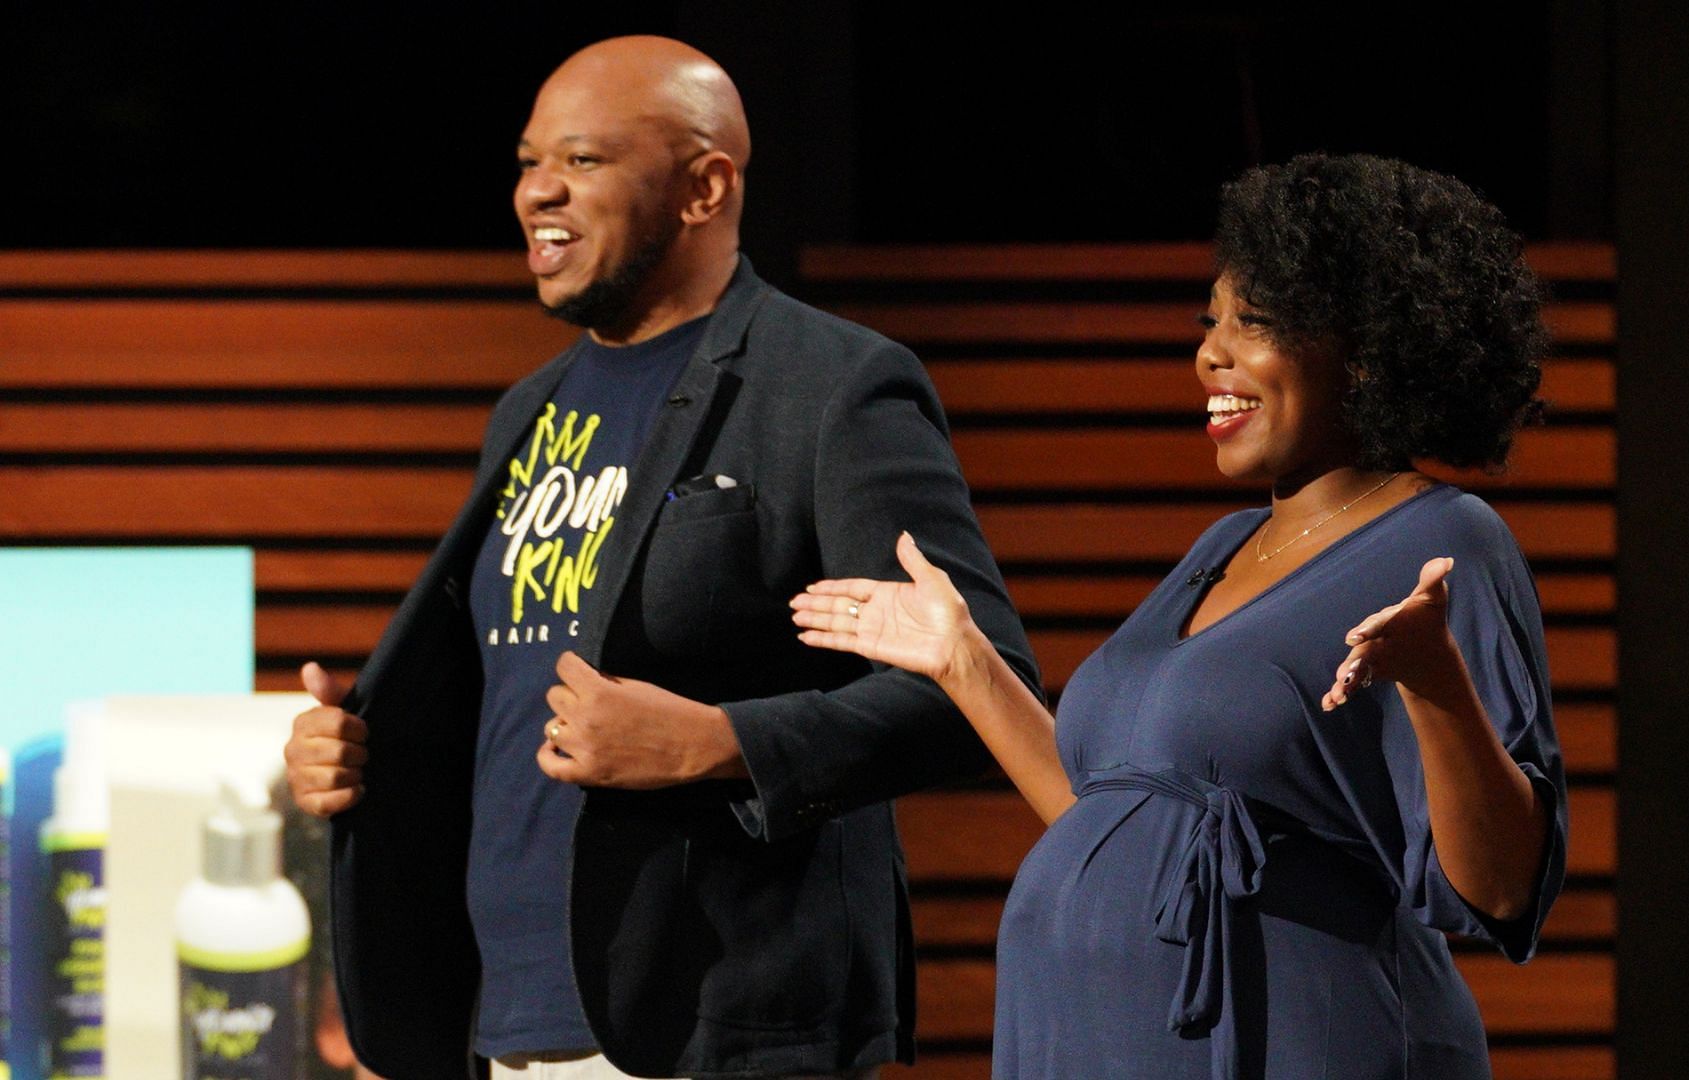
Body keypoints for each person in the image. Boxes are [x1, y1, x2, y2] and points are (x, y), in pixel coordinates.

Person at [282, 36, 1039, 1080]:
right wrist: (361, 751)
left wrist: (724, 743)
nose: (537, 191)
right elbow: (497, 700)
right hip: (503, 1027)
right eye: (527, 159)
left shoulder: (835, 386)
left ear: (705, 186)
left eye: (584, 161)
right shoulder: (530, 410)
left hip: (717, 1027)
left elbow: (974, 691)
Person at [791, 153, 1568, 1079]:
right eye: (1211, 324)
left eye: (1256, 324)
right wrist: (966, 663)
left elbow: (1504, 885)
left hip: (1304, 1036)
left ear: (1367, 350)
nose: (1211, 354)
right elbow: (1112, 816)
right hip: (1101, 1043)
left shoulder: (1443, 537)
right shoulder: (1220, 550)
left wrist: (1438, 686)